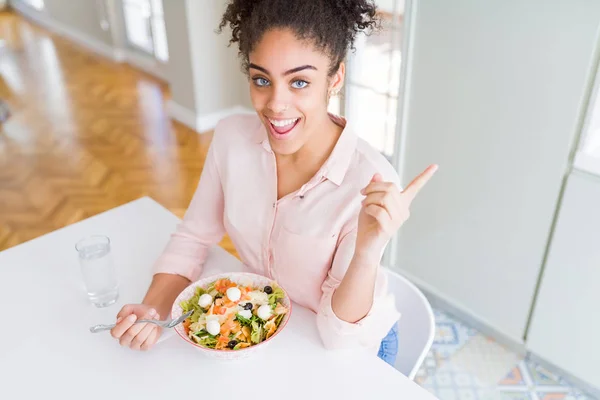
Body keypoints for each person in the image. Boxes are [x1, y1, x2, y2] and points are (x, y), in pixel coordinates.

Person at [110, 0, 437, 366]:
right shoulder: (231, 138)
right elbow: (193, 237)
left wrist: (368, 250)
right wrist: (153, 310)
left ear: (335, 78)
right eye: (261, 79)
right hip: (277, 331)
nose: (276, 105)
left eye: (299, 82)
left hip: (356, 351)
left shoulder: (369, 181)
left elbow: (337, 337)